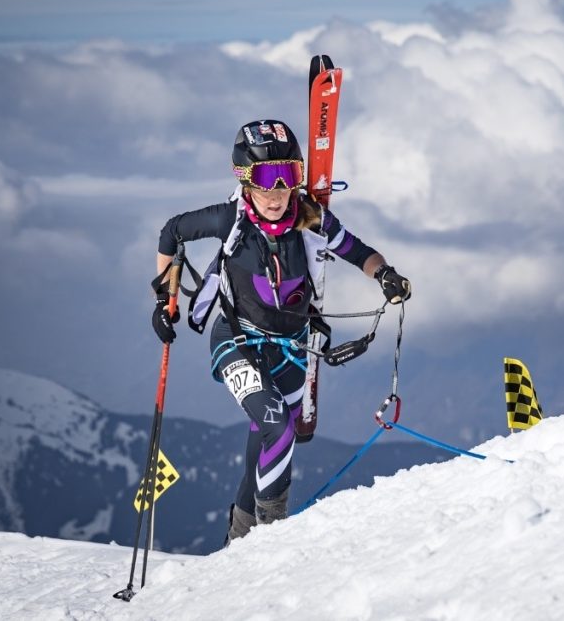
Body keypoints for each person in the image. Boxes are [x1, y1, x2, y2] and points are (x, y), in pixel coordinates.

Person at [152, 119, 411, 543]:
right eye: (264, 180)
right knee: (279, 428)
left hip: (290, 348)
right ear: (243, 179)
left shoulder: (313, 220)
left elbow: (359, 252)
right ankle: (273, 540)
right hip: (236, 341)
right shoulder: (228, 220)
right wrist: (166, 300)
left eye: (287, 177)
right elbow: (172, 232)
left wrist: (385, 275)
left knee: (266, 438)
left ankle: (239, 540)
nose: (276, 194)